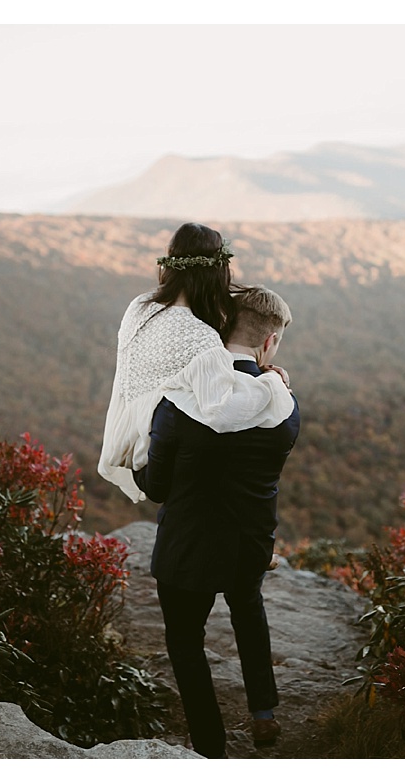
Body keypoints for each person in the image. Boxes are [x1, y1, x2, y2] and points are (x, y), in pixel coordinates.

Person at [134, 285, 301, 758]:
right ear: (269, 344)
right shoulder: (283, 406)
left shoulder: (178, 404)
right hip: (249, 543)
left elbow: (158, 488)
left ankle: (210, 747)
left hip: (187, 549)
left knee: (186, 644)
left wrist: (136, 465)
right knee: (248, 610)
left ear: (220, 329)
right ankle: (263, 714)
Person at [98, 222, 294, 503]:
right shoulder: (202, 338)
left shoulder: (140, 306)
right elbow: (222, 413)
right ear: (217, 274)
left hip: (122, 440)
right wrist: (270, 383)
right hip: (153, 460)